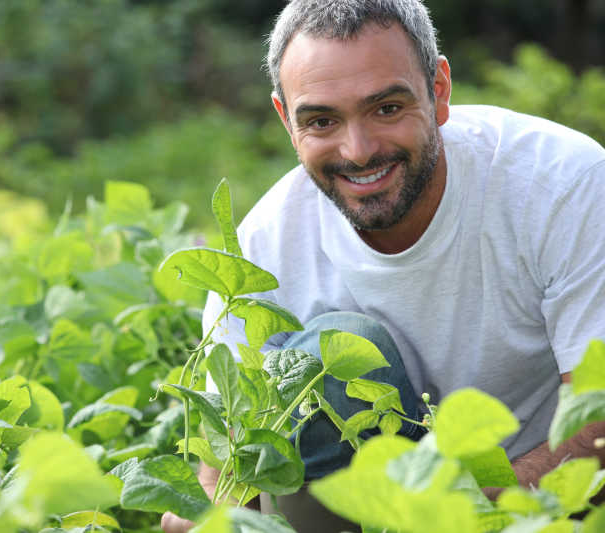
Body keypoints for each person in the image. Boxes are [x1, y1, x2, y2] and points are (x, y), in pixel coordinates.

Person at [162, 0, 605, 531]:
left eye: (387, 109)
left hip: (536, 502)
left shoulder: (562, 185)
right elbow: (224, 464)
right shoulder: (262, 248)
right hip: (355, 511)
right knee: (327, 354)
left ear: (438, 91)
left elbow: (598, 419)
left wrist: (465, 516)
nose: (359, 150)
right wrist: (215, 519)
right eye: (322, 120)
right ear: (286, 120)